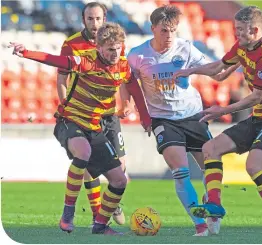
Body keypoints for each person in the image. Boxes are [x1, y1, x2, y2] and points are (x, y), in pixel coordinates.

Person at [9, 22, 151, 235]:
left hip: (94, 128)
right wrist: (26, 52)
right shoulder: (86, 62)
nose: (115, 53)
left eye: (119, 48)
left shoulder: (123, 68)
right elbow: (54, 60)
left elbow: (135, 91)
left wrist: (146, 118)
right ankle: (68, 214)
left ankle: (100, 226)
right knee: (83, 152)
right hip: (70, 121)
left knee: (120, 180)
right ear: (99, 48)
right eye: (110, 49)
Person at [173, 6, 262, 239]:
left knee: (253, 166)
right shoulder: (242, 46)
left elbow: (255, 97)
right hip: (260, 117)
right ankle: (215, 205)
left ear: (255, 29)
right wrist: (190, 71)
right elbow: (218, 68)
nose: (235, 33)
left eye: (240, 29)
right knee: (211, 148)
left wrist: (222, 110)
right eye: (235, 28)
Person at [127, 5, 238, 236]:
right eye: (164, 31)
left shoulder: (186, 49)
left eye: (173, 31)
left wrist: (237, 62)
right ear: (153, 28)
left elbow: (215, 72)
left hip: (193, 116)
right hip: (163, 120)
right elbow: (129, 85)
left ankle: (212, 205)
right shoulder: (137, 55)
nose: (169, 37)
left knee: (211, 168)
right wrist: (138, 112)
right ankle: (199, 225)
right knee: (180, 171)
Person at [56, 2, 128, 226]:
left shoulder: (115, 42)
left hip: (109, 114)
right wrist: (68, 106)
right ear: (83, 20)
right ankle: (98, 214)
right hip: (85, 115)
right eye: (90, 19)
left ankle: (111, 203)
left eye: (98, 19)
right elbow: (62, 79)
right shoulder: (72, 44)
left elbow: (122, 74)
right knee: (88, 163)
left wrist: (126, 103)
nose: (95, 23)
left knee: (121, 168)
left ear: (105, 18)